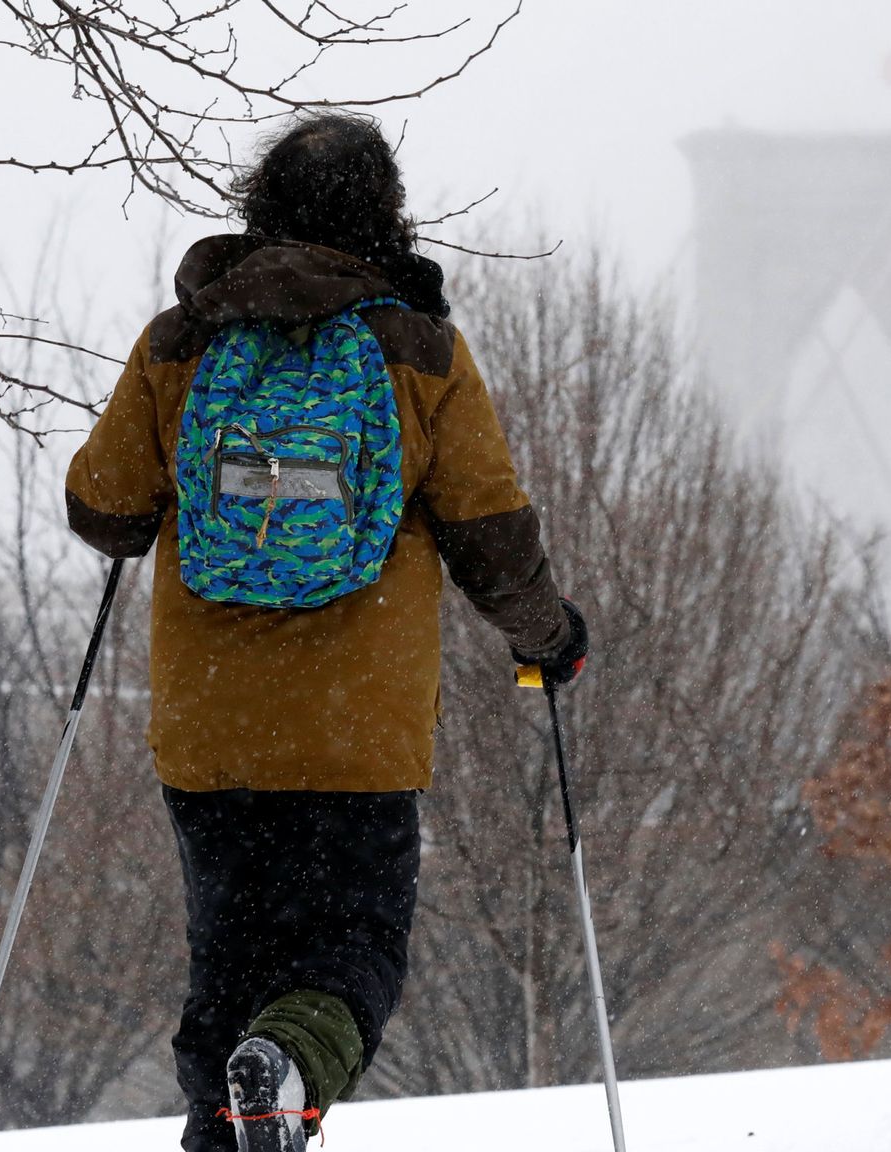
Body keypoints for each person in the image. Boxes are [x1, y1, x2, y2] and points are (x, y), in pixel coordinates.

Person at [64, 111, 589, 1152]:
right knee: (349, 954)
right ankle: (290, 1066)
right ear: (382, 214)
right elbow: (488, 530)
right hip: (358, 735)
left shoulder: (184, 341)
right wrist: (547, 636)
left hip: (212, 733)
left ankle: (230, 1112)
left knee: (227, 968)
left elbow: (103, 509)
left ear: (259, 204)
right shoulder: (419, 351)